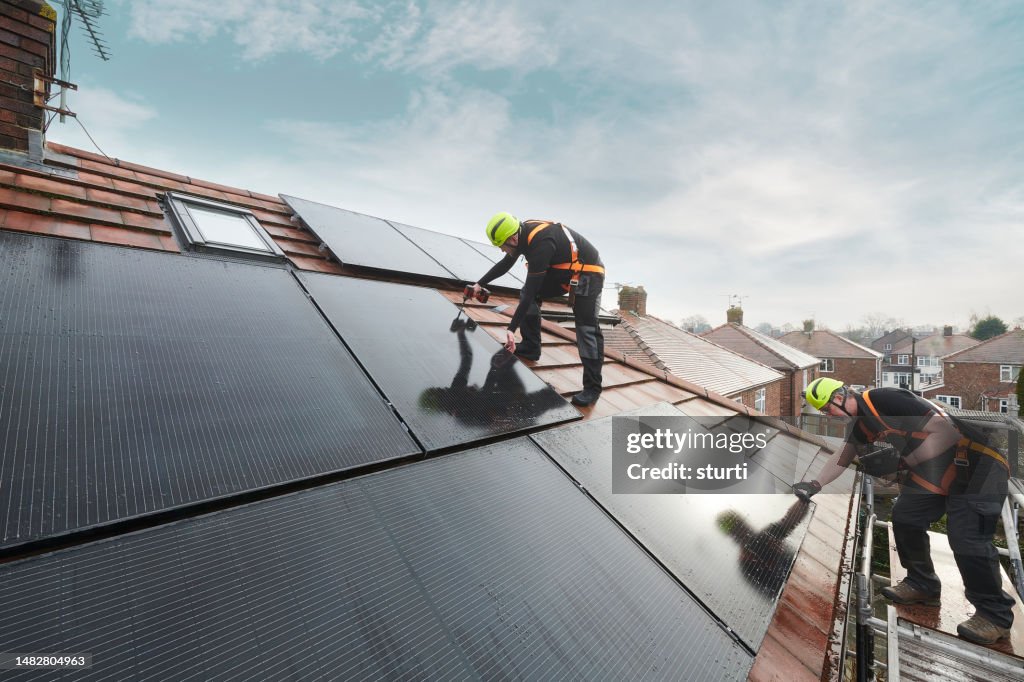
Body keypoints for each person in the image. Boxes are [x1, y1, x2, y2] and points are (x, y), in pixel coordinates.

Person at [793, 377, 1014, 645]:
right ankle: (923, 584)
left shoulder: (886, 399)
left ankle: (995, 616)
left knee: (967, 539)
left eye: (828, 409)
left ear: (839, 397)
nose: (829, 416)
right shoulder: (862, 422)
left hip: (980, 466)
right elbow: (844, 454)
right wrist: (815, 485)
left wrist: (901, 462)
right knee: (905, 517)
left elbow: (945, 433)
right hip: (939, 470)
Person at [467, 212, 605, 407]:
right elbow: (506, 263)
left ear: (513, 238)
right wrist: (479, 284)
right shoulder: (522, 233)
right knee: (526, 294)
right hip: (563, 271)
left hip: (588, 274)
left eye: (503, 246)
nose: (502, 250)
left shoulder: (542, 243)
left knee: (587, 329)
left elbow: (533, 291)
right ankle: (531, 347)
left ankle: (593, 388)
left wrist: (511, 329)